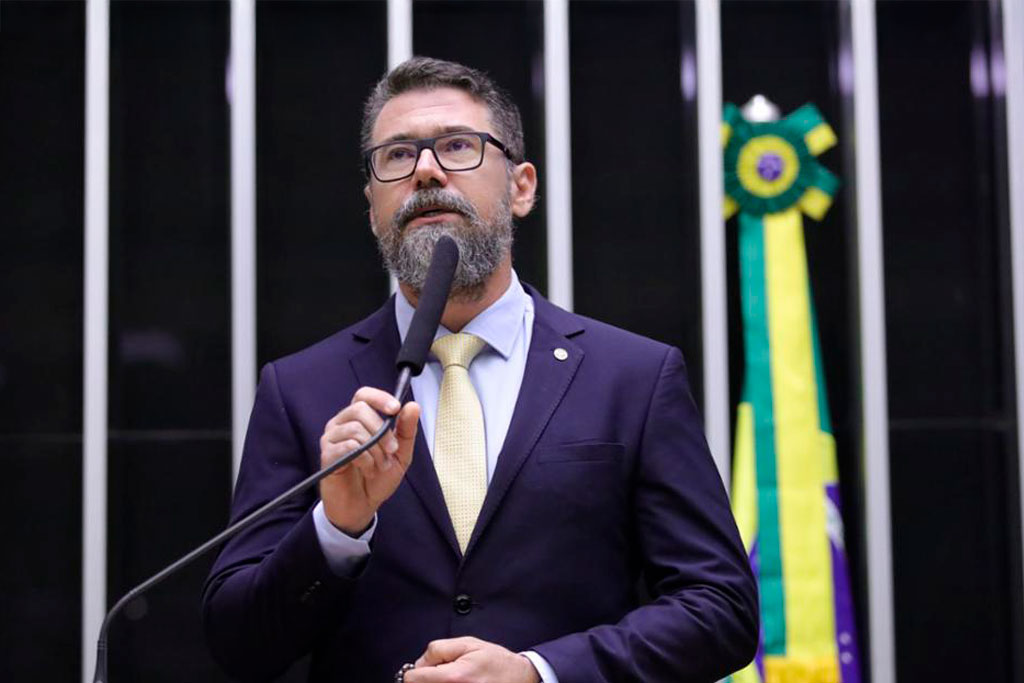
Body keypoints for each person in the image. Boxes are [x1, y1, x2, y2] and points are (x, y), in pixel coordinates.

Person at [204, 56, 758, 683]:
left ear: (521, 186)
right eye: (397, 156)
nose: (427, 172)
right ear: (371, 204)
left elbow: (722, 609)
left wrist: (540, 672)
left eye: (459, 147)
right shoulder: (301, 389)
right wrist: (337, 527)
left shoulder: (633, 376)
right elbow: (239, 643)